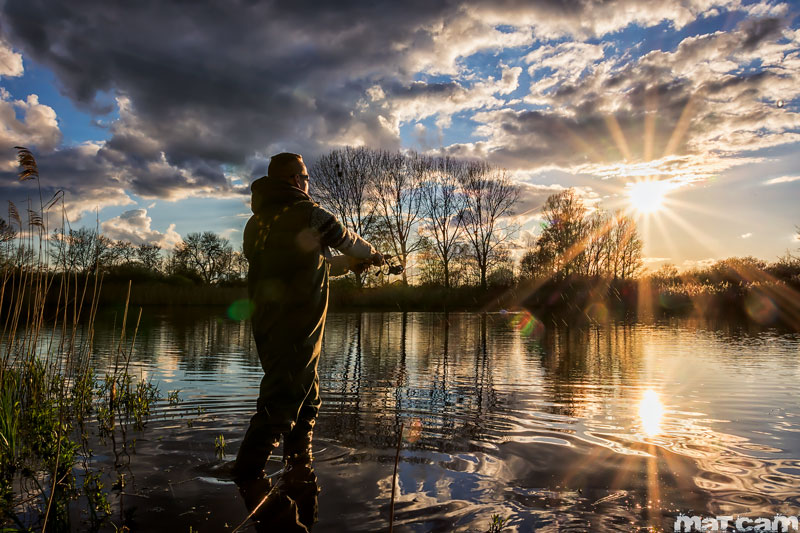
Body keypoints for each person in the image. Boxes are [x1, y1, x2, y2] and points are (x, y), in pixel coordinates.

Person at [232, 152, 383, 525]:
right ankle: (247, 474)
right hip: (299, 323)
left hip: (267, 323)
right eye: (306, 177)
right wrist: (372, 256)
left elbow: (314, 266)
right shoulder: (311, 213)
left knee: (306, 393)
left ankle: (299, 467)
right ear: (297, 180)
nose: (308, 183)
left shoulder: (256, 225)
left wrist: (348, 265)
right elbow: (347, 240)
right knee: (283, 398)